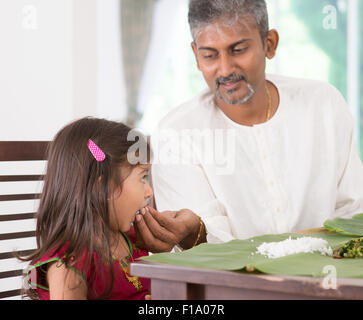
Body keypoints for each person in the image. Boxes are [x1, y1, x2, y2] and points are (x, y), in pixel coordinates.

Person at [134, 0, 363, 250]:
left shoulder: (323, 105)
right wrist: (195, 232)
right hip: (232, 288)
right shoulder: (176, 134)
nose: (225, 69)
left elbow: (353, 210)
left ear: (269, 44)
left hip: (331, 280)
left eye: (238, 50)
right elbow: (207, 250)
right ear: (196, 56)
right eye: (209, 55)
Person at [20, 117, 154, 300]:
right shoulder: (69, 264)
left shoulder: (133, 242)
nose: (149, 192)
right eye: (142, 177)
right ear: (103, 187)